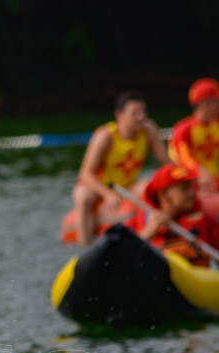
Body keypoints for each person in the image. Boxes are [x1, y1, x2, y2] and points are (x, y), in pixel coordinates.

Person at [69, 90, 170, 246]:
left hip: (127, 186)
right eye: (135, 113)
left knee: (149, 187)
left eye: (143, 112)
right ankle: (85, 246)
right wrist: (107, 194)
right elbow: (86, 174)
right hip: (98, 188)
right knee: (82, 196)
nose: (141, 117)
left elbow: (166, 162)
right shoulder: (105, 136)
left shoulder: (148, 130)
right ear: (119, 115)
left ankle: (156, 236)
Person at [131, 163, 219, 266]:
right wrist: (147, 233)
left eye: (191, 187)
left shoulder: (204, 220)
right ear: (164, 195)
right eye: (184, 189)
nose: (191, 193)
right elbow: (124, 260)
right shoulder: (142, 223)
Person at [169, 78, 219, 196]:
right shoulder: (183, 128)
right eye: (217, 101)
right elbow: (184, 157)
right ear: (205, 104)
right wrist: (200, 172)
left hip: (212, 180)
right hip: (190, 183)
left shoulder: (216, 125)